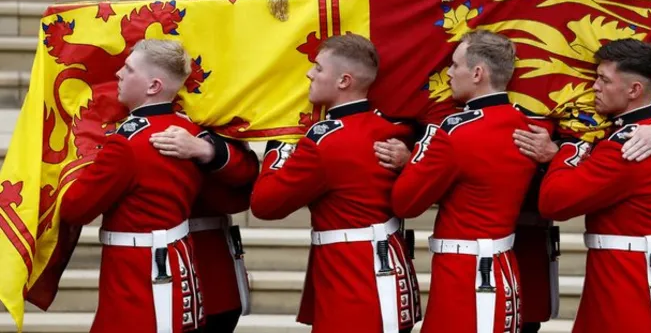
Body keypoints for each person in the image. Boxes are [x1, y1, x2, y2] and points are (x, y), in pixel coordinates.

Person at [531, 39, 651, 333]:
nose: (594, 86)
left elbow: (554, 201)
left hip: (626, 283)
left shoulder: (624, 145)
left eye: (604, 79)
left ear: (633, 90)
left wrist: (570, 149)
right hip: (642, 272)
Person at [250, 34, 421, 333]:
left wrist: (278, 147)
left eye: (317, 68)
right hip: (390, 272)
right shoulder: (392, 128)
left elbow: (265, 204)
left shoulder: (324, 142)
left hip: (352, 282)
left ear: (344, 81)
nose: (309, 73)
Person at [376, 30, 539, 333]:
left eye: (454, 65)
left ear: (477, 73)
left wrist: (411, 160)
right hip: (502, 271)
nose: (448, 73)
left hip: (466, 278)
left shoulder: (454, 133)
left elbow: (405, 202)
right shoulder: (523, 123)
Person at [59, 39, 207, 333]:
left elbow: (74, 208)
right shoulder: (191, 130)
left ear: (153, 86)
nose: (119, 74)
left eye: (128, 69)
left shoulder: (126, 144)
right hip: (179, 265)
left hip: (138, 277)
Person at [149, 125, 260, 332]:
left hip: (210, 268)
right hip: (144, 265)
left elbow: (242, 186)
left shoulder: (211, 114)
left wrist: (208, 150)